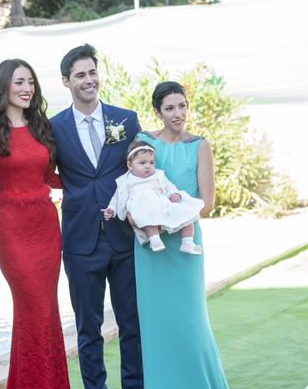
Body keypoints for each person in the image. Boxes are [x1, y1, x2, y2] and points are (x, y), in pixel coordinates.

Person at [50, 44, 143, 389]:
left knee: (131, 324)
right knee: (88, 329)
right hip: (79, 240)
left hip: (124, 237)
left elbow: (142, 171)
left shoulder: (126, 119)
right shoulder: (53, 127)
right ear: (66, 81)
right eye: (80, 75)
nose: (89, 81)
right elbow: (39, 172)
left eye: (92, 73)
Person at [0, 59, 69, 389]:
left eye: (30, 81)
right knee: (32, 307)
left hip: (46, 226)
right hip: (13, 232)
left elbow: (48, 177)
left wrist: (89, 184)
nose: (27, 88)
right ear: (4, 87)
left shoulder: (41, 126)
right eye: (19, 82)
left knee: (46, 310)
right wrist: (1, 194)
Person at [135, 80, 229, 388]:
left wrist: (172, 217)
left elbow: (209, 201)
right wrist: (152, 220)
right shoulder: (144, 141)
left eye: (182, 106)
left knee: (191, 322)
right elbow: (133, 186)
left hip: (186, 242)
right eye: (170, 108)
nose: (178, 114)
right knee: (156, 323)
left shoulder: (199, 145)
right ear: (157, 112)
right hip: (152, 247)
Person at [103, 140, 204, 255]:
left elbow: (169, 186)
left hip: (161, 204)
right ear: (130, 165)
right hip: (142, 208)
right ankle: (154, 239)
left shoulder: (158, 175)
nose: (148, 166)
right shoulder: (126, 180)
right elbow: (117, 197)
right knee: (147, 216)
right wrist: (111, 209)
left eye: (151, 162)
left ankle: (187, 242)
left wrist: (176, 194)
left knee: (185, 213)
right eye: (142, 163)